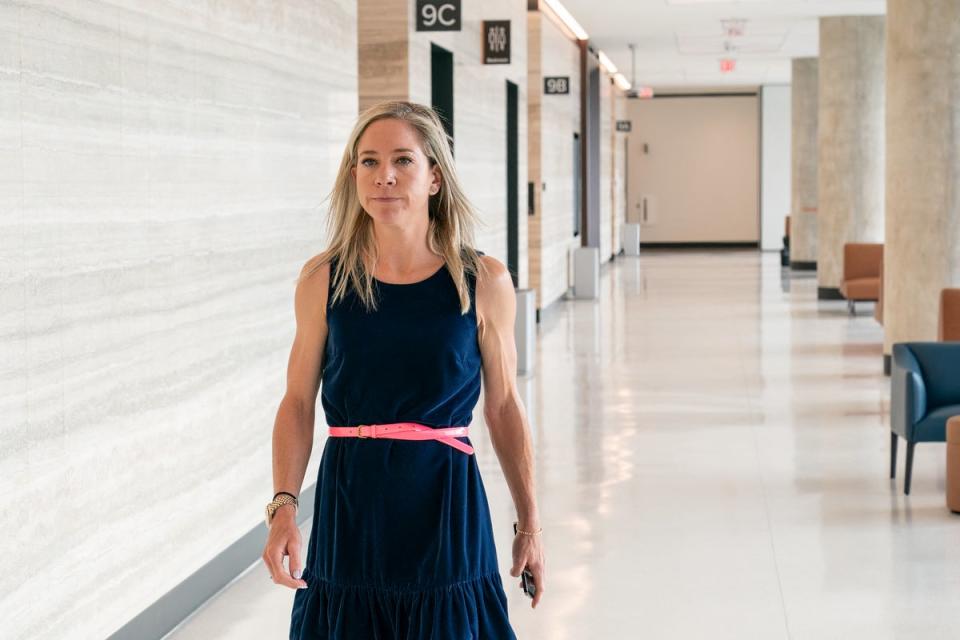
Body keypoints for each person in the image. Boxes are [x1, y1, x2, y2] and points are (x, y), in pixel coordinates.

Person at [260, 100, 545, 639]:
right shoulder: (324, 278)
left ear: (435, 176)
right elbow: (297, 402)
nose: (384, 176)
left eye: (402, 161)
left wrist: (530, 523)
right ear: (353, 176)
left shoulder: (481, 280)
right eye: (368, 161)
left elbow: (504, 405)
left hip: (446, 504)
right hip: (352, 507)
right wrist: (283, 508)